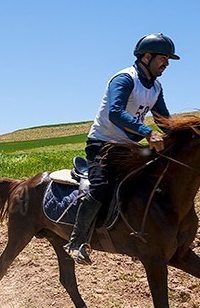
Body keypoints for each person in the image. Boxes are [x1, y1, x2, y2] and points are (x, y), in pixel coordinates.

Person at [64, 33, 179, 265]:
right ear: (146, 57)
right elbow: (115, 113)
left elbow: (163, 119)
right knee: (100, 188)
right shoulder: (125, 79)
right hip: (102, 145)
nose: (166, 64)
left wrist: (181, 136)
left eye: (168, 59)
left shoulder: (156, 87)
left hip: (128, 148)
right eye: (163, 58)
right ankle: (76, 242)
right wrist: (147, 133)